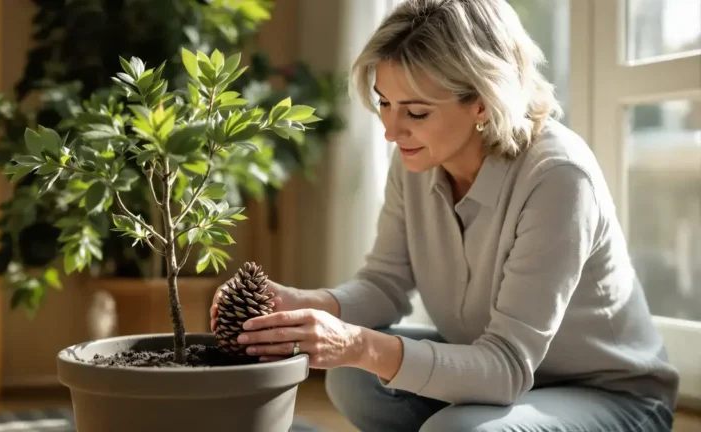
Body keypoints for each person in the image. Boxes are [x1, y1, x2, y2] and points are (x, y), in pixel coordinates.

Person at [209, 0, 680, 430]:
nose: (391, 131)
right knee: (354, 379)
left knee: (448, 425)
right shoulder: (417, 159)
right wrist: (300, 303)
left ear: (482, 101)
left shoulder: (558, 177)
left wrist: (355, 343)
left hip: (610, 395)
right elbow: (384, 285)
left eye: (415, 112)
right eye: (385, 103)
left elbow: (507, 367)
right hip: (506, 375)